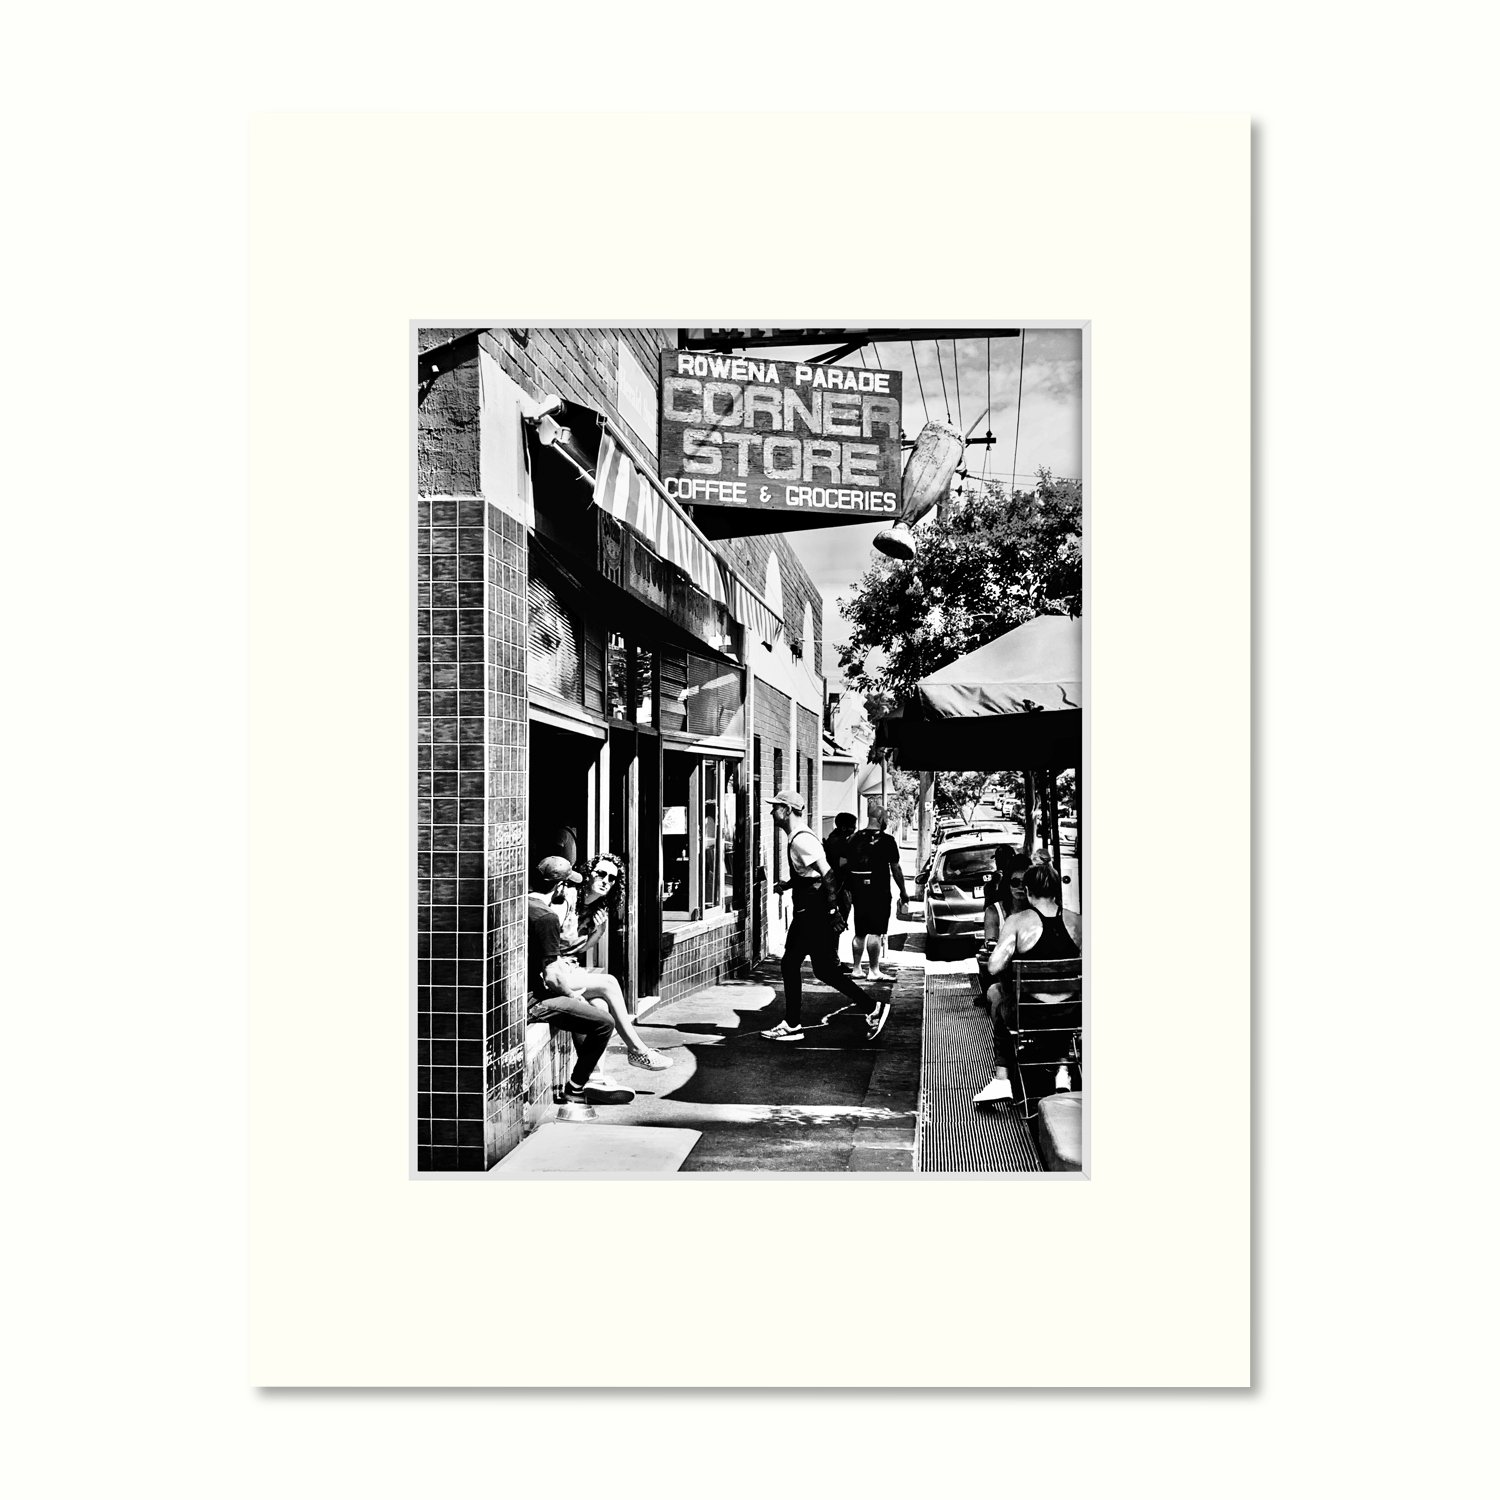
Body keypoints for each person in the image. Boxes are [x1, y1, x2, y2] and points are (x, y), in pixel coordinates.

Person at [759, 791, 890, 1044]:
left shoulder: (801, 839)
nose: (772, 812)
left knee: (792, 964)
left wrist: (832, 912)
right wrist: (787, 885)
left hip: (812, 913)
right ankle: (872, 1007)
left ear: (787, 810)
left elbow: (828, 875)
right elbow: (810, 875)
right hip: (810, 911)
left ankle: (793, 1025)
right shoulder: (798, 836)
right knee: (823, 970)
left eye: (775, 807)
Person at [552, 851, 671, 1076]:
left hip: (569, 966)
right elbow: (551, 944)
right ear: (587, 874)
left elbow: (576, 948)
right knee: (608, 982)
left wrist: (599, 932)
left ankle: (594, 1076)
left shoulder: (597, 908)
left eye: (612, 878)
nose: (606, 881)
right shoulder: (566, 898)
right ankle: (637, 1049)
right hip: (551, 970)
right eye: (601, 874)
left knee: (600, 1006)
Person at [973, 860, 1082, 1107]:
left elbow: (993, 966)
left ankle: (1002, 1079)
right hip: (1072, 1015)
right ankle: (1062, 1070)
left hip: (1028, 1014)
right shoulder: (1078, 922)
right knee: (1062, 1007)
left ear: (1029, 891)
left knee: (999, 997)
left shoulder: (1018, 921)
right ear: (1056, 890)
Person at [526, 856, 618, 1115]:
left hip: (519, 997)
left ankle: (592, 1078)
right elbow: (553, 976)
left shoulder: (520, 905)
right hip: (534, 1002)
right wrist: (573, 996)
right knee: (604, 1023)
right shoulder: (545, 918)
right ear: (560, 887)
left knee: (587, 1011)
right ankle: (575, 1089)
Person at [842, 809, 908, 981]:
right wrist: (903, 891)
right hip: (879, 891)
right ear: (880, 819)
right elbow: (896, 868)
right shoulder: (887, 841)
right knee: (875, 932)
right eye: (885, 818)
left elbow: (844, 864)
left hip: (858, 891)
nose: (886, 821)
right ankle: (874, 970)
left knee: (859, 931)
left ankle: (856, 968)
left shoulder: (854, 838)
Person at [974, 846, 1030, 1006]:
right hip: (1005, 981)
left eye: (1024, 883)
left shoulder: (1038, 913)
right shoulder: (994, 911)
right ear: (1008, 883)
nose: (1020, 887)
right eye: (1015, 882)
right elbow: (991, 950)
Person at [823, 811, 858, 969]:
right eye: (852, 827)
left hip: (841, 888)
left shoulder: (837, 839)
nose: (854, 830)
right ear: (844, 828)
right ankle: (832, 962)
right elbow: (843, 865)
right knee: (836, 926)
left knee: (837, 927)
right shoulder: (838, 843)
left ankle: (832, 960)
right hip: (839, 890)